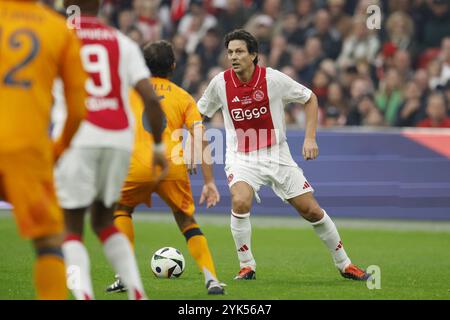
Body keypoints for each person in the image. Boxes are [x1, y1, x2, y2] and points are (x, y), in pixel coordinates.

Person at [197, 29, 371, 281]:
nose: (234, 57)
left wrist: (310, 138)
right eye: (230, 52)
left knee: (311, 210)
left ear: (254, 55)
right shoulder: (220, 83)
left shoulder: (273, 80)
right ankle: (247, 265)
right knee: (240, 200)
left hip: (277, 154)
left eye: (239, 52)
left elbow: (310, 98)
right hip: (242, 157)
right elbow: (197, 114)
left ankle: (345, 264)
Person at [53, 0, 167, 300]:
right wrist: (157, 145)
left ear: (67, 5)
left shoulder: (58, 37)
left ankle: (83, 294)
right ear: (100, 5)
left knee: (71, 227)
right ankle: (137, 292)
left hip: (77, 136)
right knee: (105, 220)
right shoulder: (122, 41)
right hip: (117, 138)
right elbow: (151, 101)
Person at [106, 40, 225, 295]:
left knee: (122, 210)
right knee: (186, 221)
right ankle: (211, 279)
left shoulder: (129, 93)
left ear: (143, 65)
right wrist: (209, 182)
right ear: (173, 65)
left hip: (137, 166)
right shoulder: (183, 97)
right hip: (172, 165)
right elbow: (201, 138)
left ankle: (124, 276)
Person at [0, 0, 87, 299]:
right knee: (49, 241)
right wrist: (58, 148)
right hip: (28, 148)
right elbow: (78, 109)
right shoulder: (57, 29)